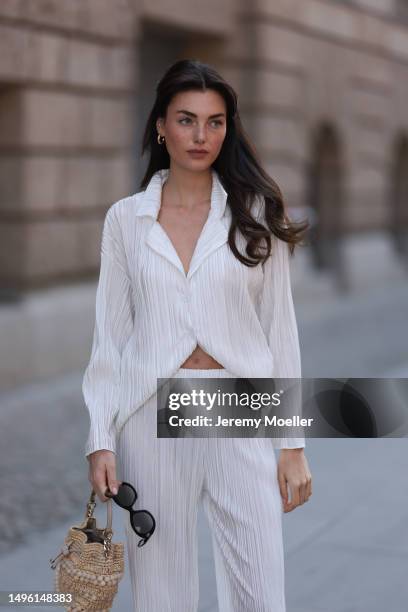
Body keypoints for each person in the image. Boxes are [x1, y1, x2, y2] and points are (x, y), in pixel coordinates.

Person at [84, 59, 313, 612]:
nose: (200, 136)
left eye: (214, 122)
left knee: (261, 590)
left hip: (238, 408)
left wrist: (293, 446)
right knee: (161, 595)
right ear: (161, 125)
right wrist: (101, 438)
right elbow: (109, 337)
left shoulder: (254, 215)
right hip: (149, 415)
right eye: (186, 120)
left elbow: (280, 331)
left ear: (228, 129)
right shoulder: (125, 221)